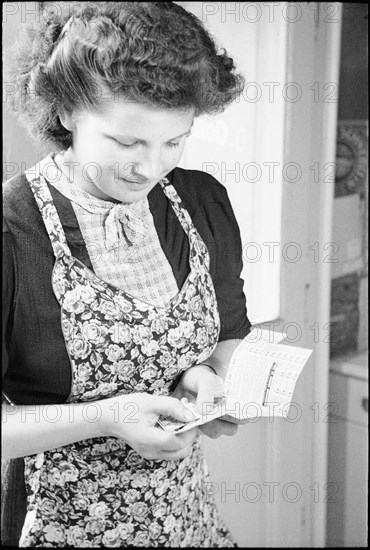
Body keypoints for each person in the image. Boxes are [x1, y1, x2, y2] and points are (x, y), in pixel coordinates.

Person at [2, 2, 251, 547]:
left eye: (174, 140)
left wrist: (207, 378)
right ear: (65, 112)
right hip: (57, 525)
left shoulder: (201, 200)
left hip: (186, 519)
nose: (151, 167)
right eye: (125, 142)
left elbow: (227, 336)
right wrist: (109, 417)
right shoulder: (12, 231)